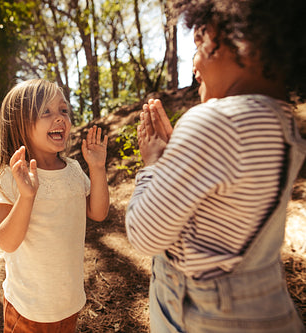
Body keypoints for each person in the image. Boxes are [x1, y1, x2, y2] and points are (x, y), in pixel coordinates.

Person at [125, 0, 306, 332]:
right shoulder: (283, 124)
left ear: (234, 38)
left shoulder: (217, 121)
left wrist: (153, 164)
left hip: (199, 313)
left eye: (199, 43)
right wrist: (177, 161)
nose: (194, 66)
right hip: (263, 308)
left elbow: (144, 236)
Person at [0, 79, 109, 332]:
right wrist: (27, 196)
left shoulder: (74, 170)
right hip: (28, 308)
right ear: (20, 122)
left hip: (69, 301)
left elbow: (98, 213)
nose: (60, 118)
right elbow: (7, 242)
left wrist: (97, 168)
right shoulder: (11, 176)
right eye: (46, 112)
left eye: (64, 110)